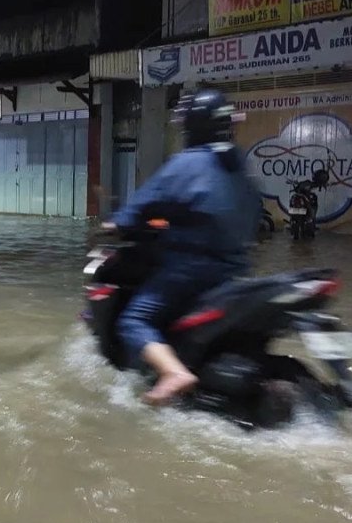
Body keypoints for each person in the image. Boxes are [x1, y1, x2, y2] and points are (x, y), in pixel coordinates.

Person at [104, 88, 260, 406]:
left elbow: (136, 210)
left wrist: (115, 223)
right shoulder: (239, 165)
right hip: (234, 273)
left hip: (190, 272)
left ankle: (173, 372)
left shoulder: (186, 164)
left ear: (191, 127)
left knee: (134, 320)